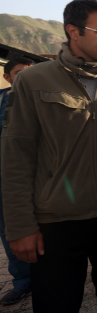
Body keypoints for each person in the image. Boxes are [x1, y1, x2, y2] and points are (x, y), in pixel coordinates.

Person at [1, 0, 97, 312]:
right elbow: (17, 156)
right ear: (73, 31)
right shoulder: (34, 81)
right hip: (58, 219)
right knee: (57, 302)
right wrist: (20, 226)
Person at [0, 57, 34, 305]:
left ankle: (48, 275)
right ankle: (22, 280)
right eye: (20, 73)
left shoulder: (40, 100)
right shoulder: (2, 100)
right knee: (10, 229)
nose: (26, 78)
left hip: (38, 177)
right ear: (8, 77)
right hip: (5, 179)